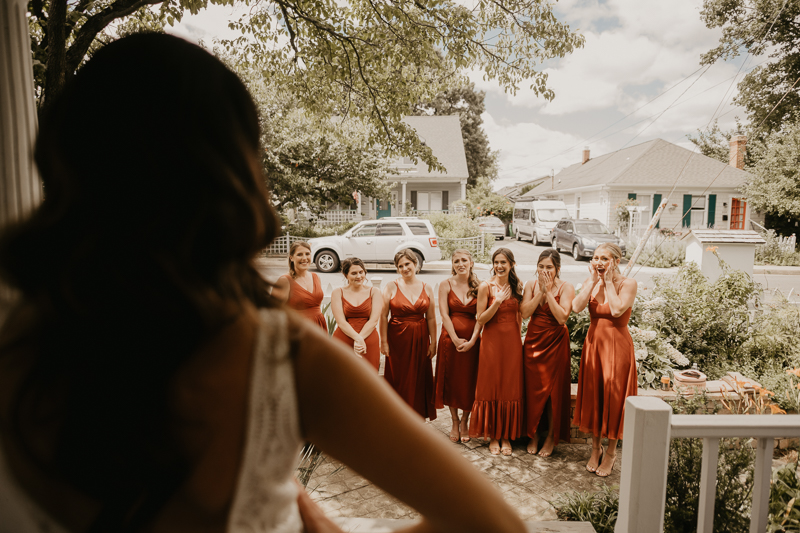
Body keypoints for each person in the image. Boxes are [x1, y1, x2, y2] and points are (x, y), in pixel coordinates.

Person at [0, 33, 528, 533]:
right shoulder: (278, 361)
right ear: (227, 178)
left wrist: (276, 483)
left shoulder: (15, 336)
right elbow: (492, 523)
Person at [571, 242, 638, 477]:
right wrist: (592, 281)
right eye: (596, 258)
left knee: (614, 398)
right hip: (594, 347)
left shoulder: (627, 284)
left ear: (616, 262)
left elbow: (618, 310)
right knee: (594, 395)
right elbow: (576, 307)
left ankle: (611, 452)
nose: (599, 262)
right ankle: (595, 448)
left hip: (617, 348)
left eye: (604, 258)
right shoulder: (593, 282)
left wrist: (608, 282)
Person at [469, 248, 524, 456]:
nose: (499, 266)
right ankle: (493, 435)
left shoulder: (517, 286)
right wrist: (498, 301)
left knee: (509, 386)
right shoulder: (486, 286)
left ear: (511, 264)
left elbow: (520, 316)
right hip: (491, 342)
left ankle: (506, 435)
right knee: (491, 385)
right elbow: (480, 319)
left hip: (512, 343)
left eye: (504, 262)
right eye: (496, 262)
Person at [520, 249, 574, 457]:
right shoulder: (530, 285)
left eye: (549, 267)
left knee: (553, 392)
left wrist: (549, 292)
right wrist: (540, 292)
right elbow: (525, 313)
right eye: (541, 267)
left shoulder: (566, 287)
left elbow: (562, 318)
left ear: (557, 269)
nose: (544, 271)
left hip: (556, 342)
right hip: (534, 341)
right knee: (532, 388)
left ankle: (551, 436)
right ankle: (533, 433)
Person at [380, 250, 437, 421]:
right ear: (397, 269)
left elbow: (432, 317)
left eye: (407, 264)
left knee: (419, 377)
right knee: (400, 378)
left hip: (421, 337)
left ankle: (418, 416)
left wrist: (434, 342)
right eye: (400, 266)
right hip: (397, 339)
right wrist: (383, 341)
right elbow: (383, 316)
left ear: (415, 264)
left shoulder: (427, 287)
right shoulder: (391, 287)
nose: (405, 268)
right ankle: (397, 417)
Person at [434, 249, 481, 443]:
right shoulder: (446, 284)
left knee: (469, 381)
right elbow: (444, 314)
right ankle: (454, 421)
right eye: (456, 261)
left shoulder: (480, 286)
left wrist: (473, 340)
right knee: (452, 381)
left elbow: (481, 317)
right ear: (452, 264)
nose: (460, 264)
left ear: (471, 262)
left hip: (473, 340)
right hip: (449, 340)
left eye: (464, 260)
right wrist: (454, 338)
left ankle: (465, 421)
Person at [331, 258, 382, 371]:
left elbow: (373, 321)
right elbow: (341, 321)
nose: (358, 276)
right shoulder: (337, 292)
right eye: (354, 273)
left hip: (368, 341)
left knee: (369, 378)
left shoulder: (374, 292)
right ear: (346, 275)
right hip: (344, 340)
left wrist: (360, 339)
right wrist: (358, 339)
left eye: (361, 272)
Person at [271, 241, 328, 332]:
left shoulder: (315, 277)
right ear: (291, 258)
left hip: (319, 326)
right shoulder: (285, 280)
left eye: (307, 254)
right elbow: (273, 311)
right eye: (299, 255)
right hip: (297, 329)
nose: (304, 258)